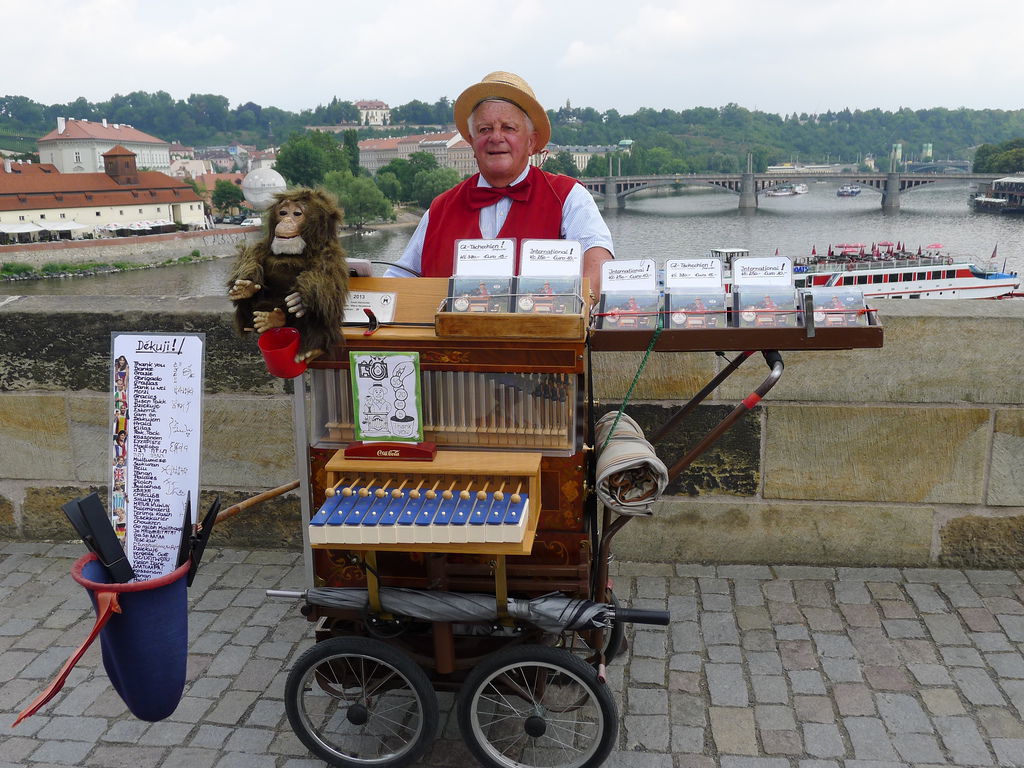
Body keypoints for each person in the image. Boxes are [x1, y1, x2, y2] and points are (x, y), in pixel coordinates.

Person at [386, 71, 614, 299]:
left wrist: (581, 304)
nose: (496, 137)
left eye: (508, 128)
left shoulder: (569, 197)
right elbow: (399, 279)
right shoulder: (439, 209)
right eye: (484, 129)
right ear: (472, 142)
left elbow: (598, 260)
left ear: (531, 142)